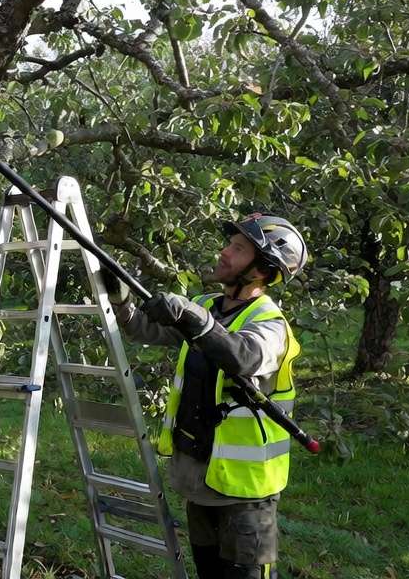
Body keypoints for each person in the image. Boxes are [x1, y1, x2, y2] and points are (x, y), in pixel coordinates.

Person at [101, 214, 308, 579]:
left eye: (238, 248)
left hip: (246, 491)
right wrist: (121, 301)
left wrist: (195, 318)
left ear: (261, 269)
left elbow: (242, 356)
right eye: (230, 244)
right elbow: (143, 328)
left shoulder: (272, 324)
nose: (225, 252)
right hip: (201, 479)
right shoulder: (206, 305)